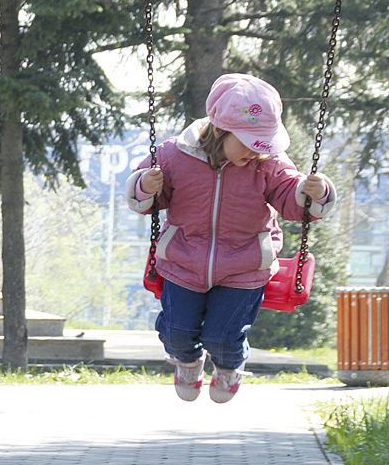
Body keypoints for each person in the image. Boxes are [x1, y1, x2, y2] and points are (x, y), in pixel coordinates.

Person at [126, 73, 335, 403]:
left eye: (263, 143)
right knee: (176, 333)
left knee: (224, 337)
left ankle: (228, 367)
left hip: (244, 265)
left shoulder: (269, 165)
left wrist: (312, 194)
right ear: (220, 130)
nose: (257, 151)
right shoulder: (172, 155)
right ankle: (187, 362)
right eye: (251, 142)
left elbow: (289, 198)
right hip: (184, 259)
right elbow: (151, 201)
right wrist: (146, 187)